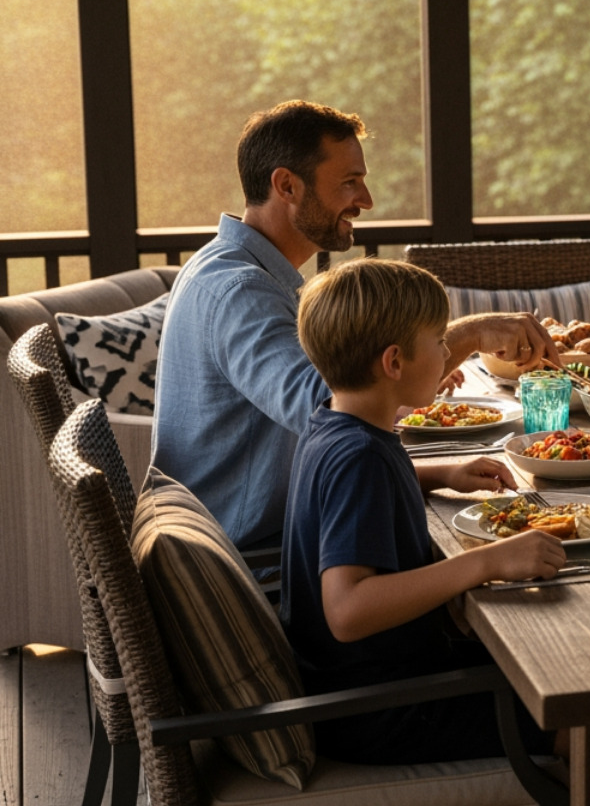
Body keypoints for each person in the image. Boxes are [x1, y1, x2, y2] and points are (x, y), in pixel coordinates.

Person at [152, 100, 561, 553]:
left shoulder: (235, 268)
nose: (365, 201)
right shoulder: (241, 291)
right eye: (350, 183)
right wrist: (469, 336)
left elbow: (326, 437)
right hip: (248, 563)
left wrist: (436, 474)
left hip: (256, 534)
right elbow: (332, 407)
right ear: (286, 185)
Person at [282, 257, 566, 763]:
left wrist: (441, 473)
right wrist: (487, 562)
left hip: (367, 688)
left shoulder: (337, 425)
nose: (446, 353)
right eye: (438, 343)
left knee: (553, 655)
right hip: (384, 711)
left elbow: (353, 497)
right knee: (572, 709)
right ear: (394, 363)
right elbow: (347, 611)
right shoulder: (360, 456)